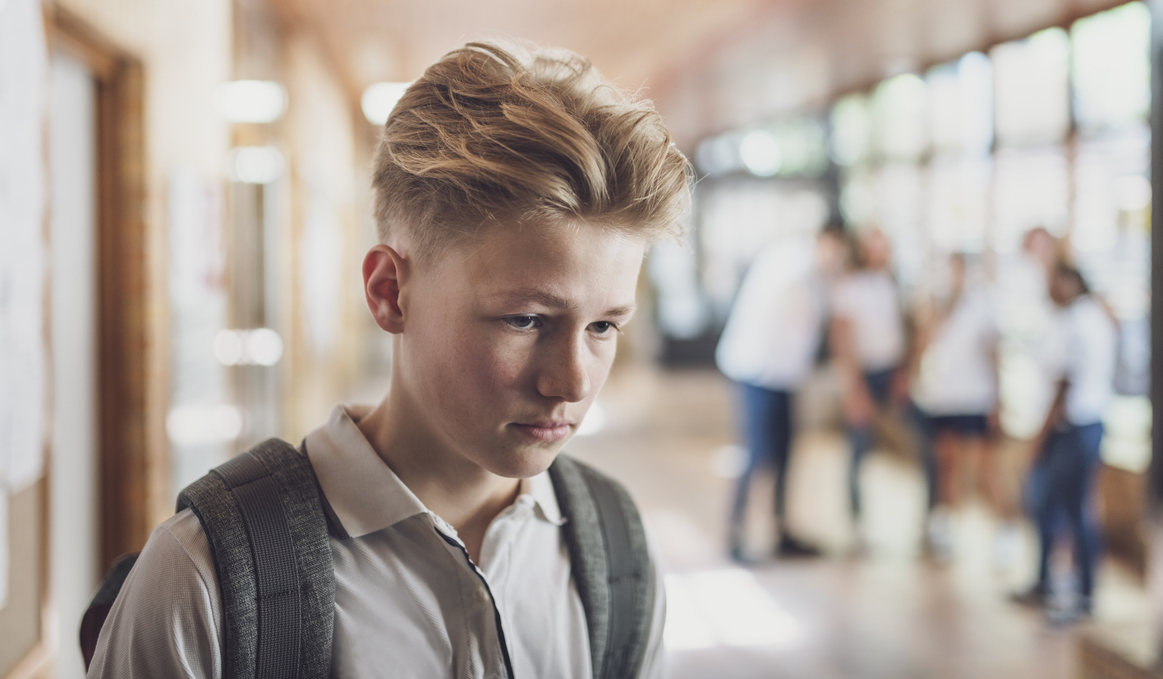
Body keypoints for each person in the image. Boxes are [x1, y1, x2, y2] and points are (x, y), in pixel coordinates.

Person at [87, 41, 691, 678]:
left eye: (603, 326)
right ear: (389, 292)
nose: (570, 381)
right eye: (525, 319)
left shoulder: (616, 550)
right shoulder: (207, 580)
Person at [715, 225, 846, 564]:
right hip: (758, 371)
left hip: (783, 376)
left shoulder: (813, 273)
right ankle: (735, 533)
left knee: (786, 452)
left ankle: (781, 530)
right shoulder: (793, 266)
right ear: (823, 241)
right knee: (757, 453)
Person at [1016, 262, 1115, 623]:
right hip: (1082, 425)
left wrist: (1039, 440)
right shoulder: (1088, 316)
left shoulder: (1078, 320)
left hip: (1074, 428)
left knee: (1069, 511)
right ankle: (1054, 584)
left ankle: (1079, 593)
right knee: (1057, 508)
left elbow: (1064, 384)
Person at [911, 253, 1011, 563]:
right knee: (946, 466)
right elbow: (922, 348)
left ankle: (1005, 533)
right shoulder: (935, 310)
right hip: (943, 398)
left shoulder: (982, 306)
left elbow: (994, 354)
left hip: (976, 398)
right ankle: (946, 531)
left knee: (985, 471)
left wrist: (998, 399)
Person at [831, 228, 909, 545]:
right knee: (859, 449)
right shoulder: (850, 288)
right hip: (864, 375)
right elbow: (842, 339)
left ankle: (932, 522)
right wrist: (855, 388)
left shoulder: (892, 285)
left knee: (920, 437)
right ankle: (856, 524)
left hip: (890, 373)